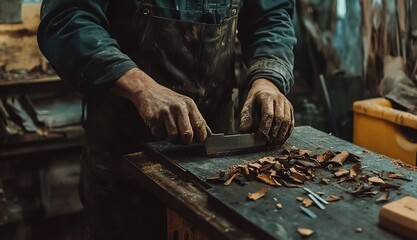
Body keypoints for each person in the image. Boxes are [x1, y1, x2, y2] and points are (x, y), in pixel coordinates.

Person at [38, 0, 296, 239]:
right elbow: (66, 19)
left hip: (217, 164)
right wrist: (141, 88)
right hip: (124, 161)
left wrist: (268, 80)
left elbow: (271, 16)